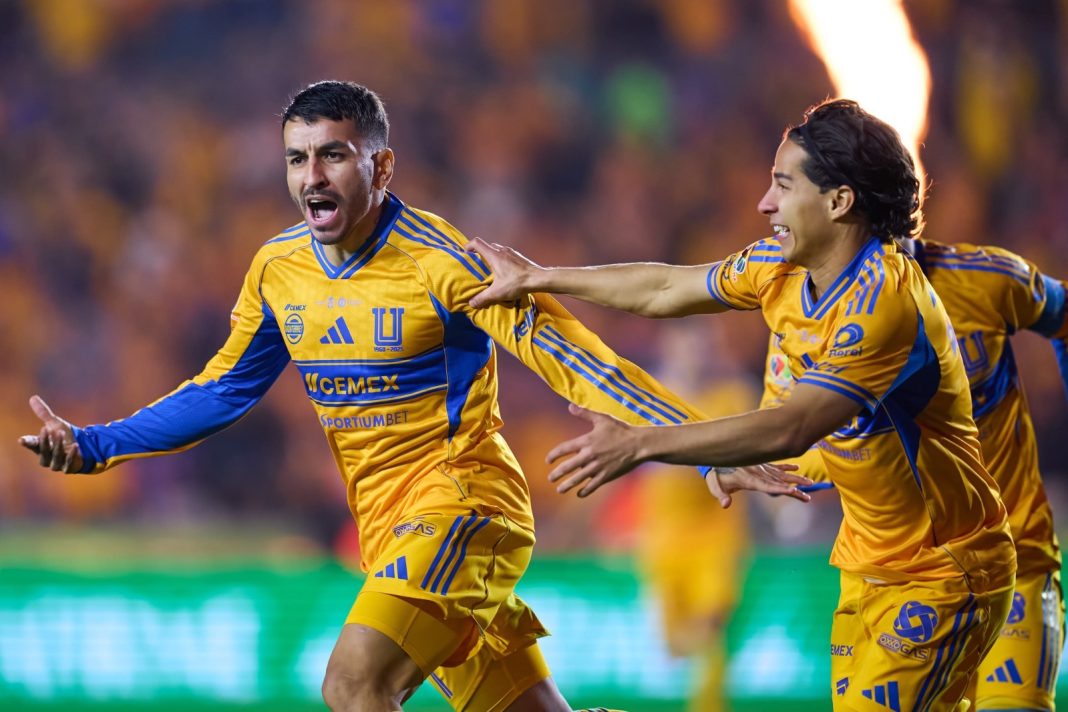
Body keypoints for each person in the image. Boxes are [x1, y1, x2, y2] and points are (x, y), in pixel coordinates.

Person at [18, 80, 810, 712]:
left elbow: (581, 362)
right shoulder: (277, 270)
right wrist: (95, 445)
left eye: (333, 155)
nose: (311, 177)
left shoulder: (444, 262)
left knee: (353, 685)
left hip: (465, 508)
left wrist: (710, 446)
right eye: (297, 159)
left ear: (381, 167)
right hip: (388, 531)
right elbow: (220, 390)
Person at [466, 98, 1019, 711]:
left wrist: (643, 442)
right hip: (868, 564)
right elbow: (666, 287)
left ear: (839, 202)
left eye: (783, 185)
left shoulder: (883, 305)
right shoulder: (777, 267)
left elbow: (792, 426)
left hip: (943, 569)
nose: (764, 203)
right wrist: (540, 277)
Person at [761, 235, 1068, 712]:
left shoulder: (986, 278)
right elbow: (786, 441)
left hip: (1014, 557)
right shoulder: (801, 315)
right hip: (894, 580)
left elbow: (1062, 313)